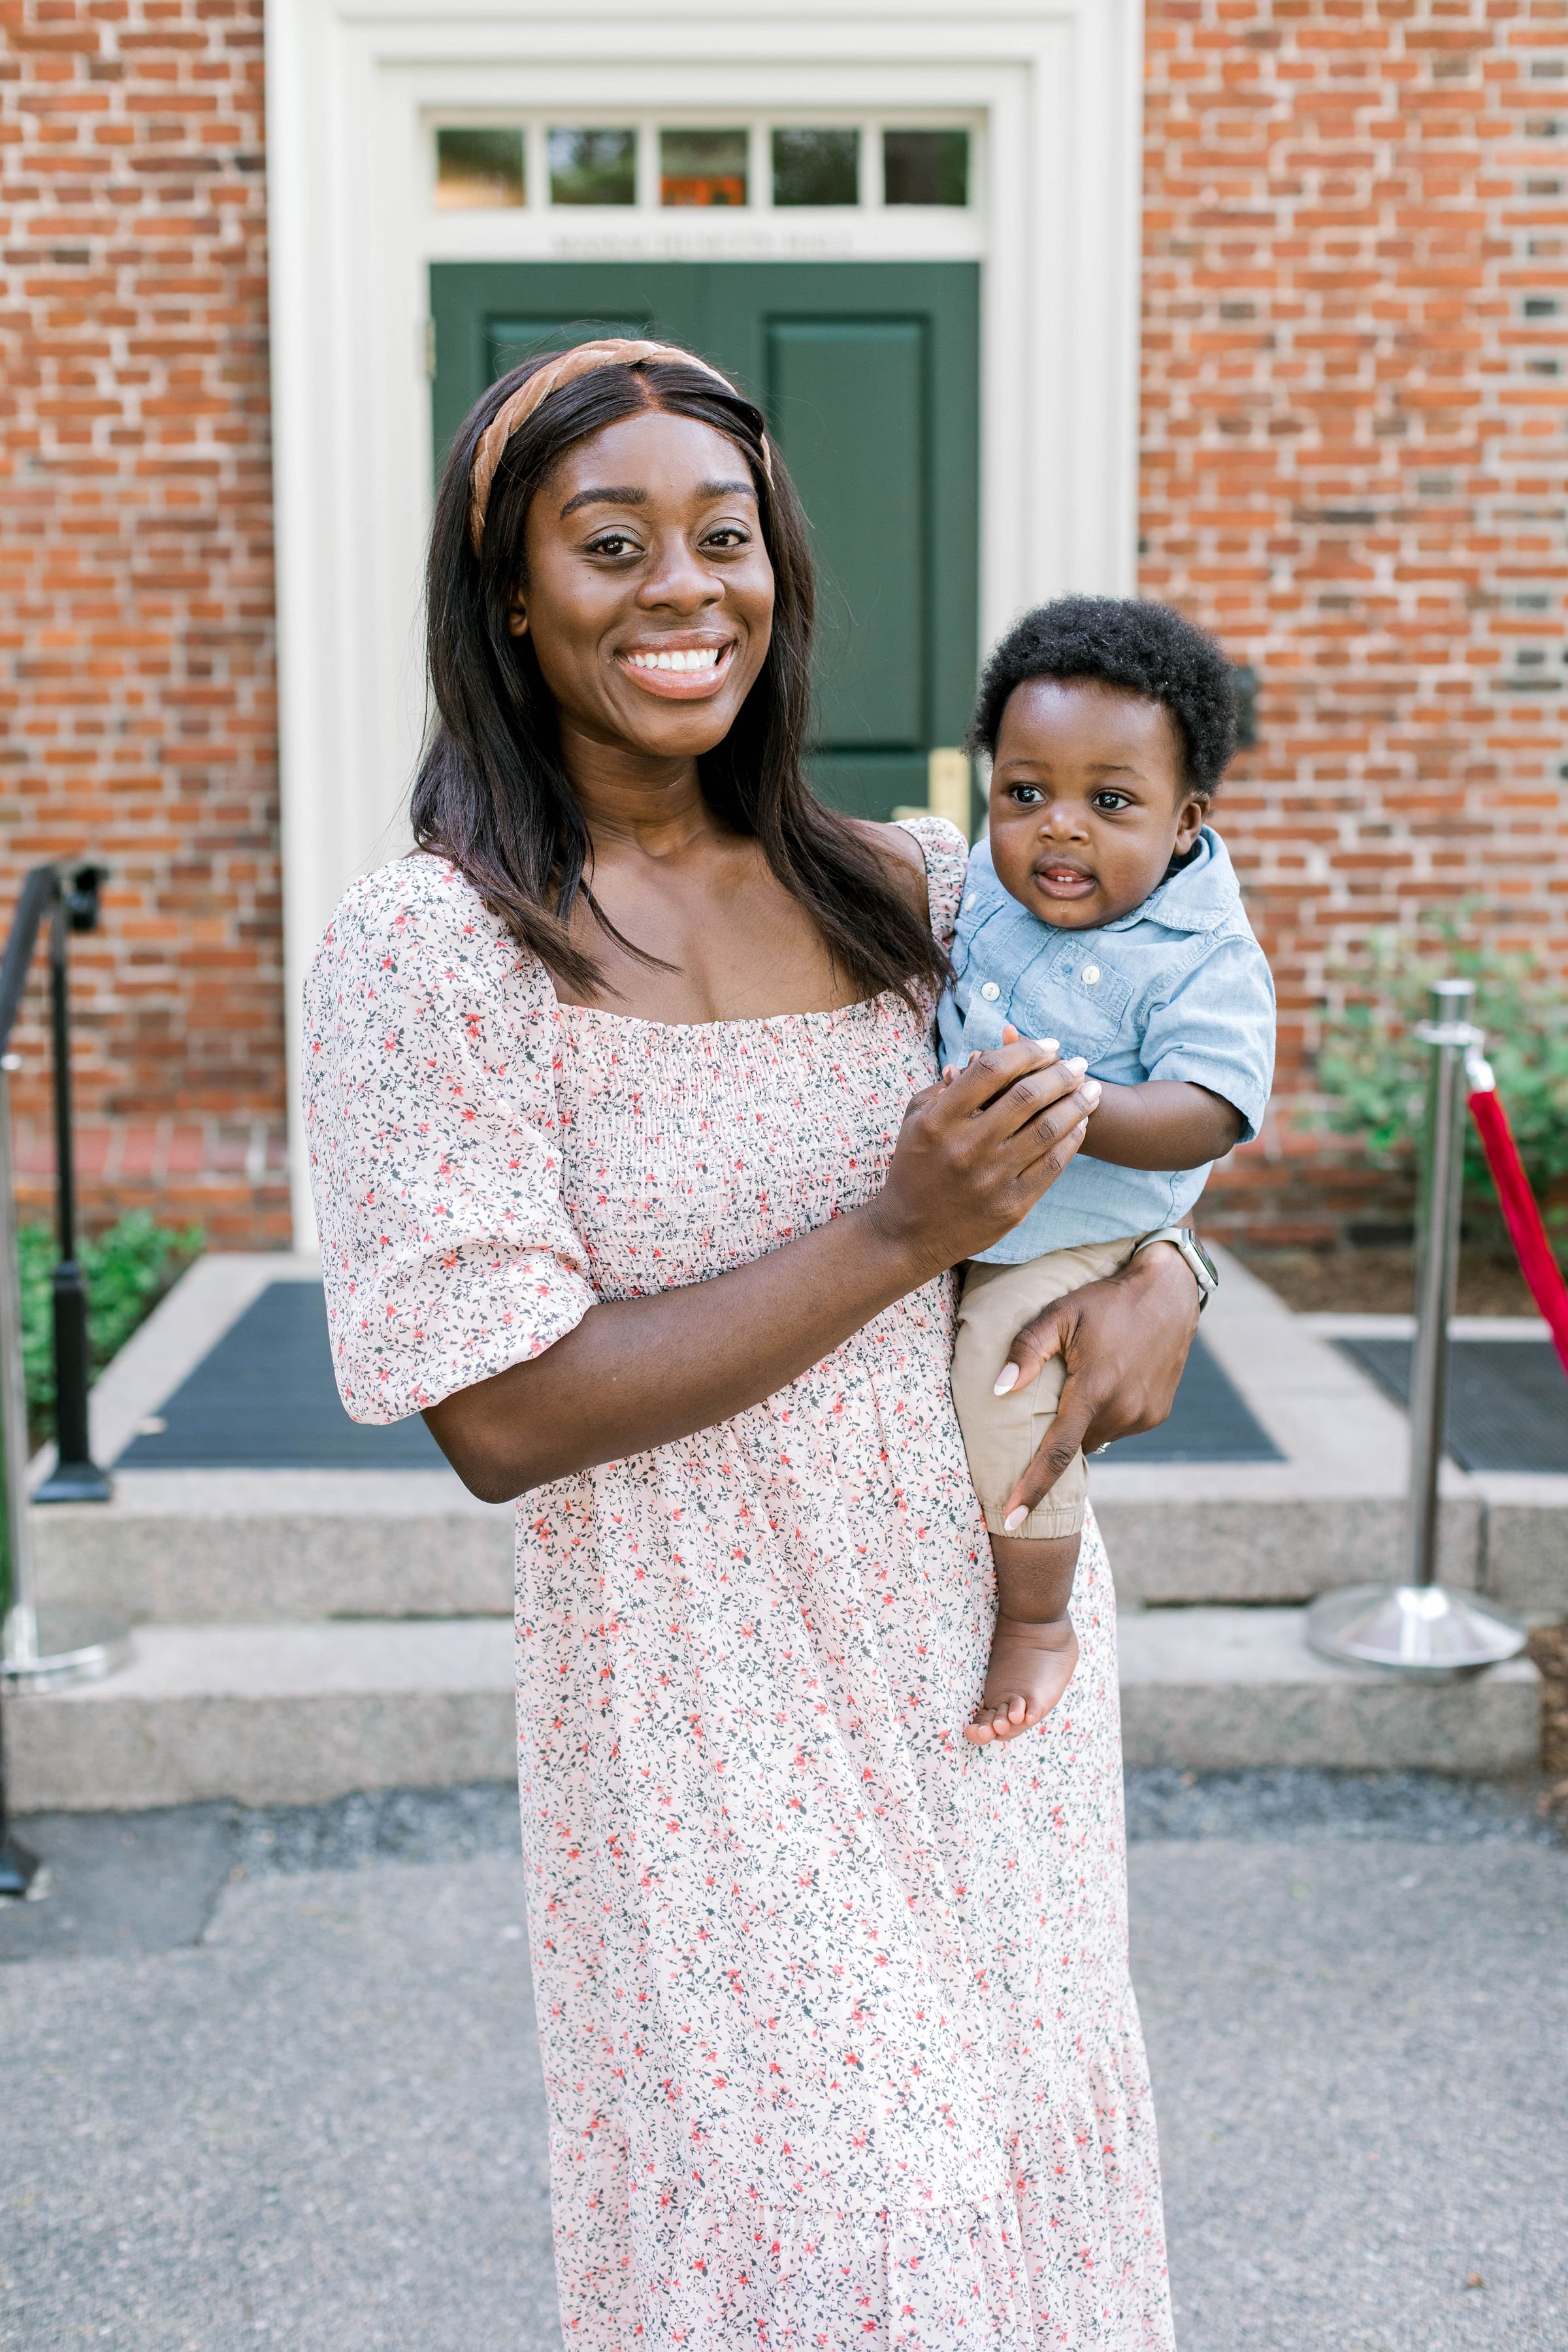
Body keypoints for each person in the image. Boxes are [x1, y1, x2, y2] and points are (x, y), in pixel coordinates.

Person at [304, 338, 1201, 2347]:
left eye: (725, 537)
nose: (682, 589)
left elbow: (1136, 1123)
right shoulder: (434, 950)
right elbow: (504, 1410)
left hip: (988, 1660)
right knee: (842, 2235)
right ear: (510, 596)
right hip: (704, 1709)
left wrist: (1168, 1279)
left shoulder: (919, 891)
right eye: (609, 543)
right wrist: (896, 1228)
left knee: (1029, 2184)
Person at [943, 599, 1276, 1744]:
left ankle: (1038, 1618)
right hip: (973, 1225)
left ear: (1185, 823)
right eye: (1025, 794)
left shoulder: (1200, 954)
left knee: (1003, 1384)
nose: (1060, 830)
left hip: (1078, 1237)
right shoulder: (978, 891)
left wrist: (1086, 1109)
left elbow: (1213, 1109)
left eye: (1111, 802)